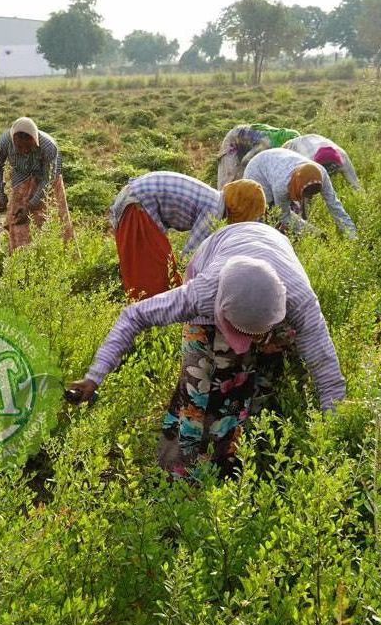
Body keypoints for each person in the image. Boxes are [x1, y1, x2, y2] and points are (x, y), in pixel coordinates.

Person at [67, 222, 345, 478]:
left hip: (272, 254)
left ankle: (240, 458)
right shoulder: (199, 294)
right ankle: (176, 471)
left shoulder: (299, 300)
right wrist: (95, 376)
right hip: (215, 257)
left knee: (254, 381)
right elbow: (133, 316)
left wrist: (333, 438)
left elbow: (325, 368)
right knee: (197, 386)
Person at [110, 172, 267, 299]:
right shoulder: (214, 211)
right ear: (243, 208)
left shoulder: (215, 199)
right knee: (154, 278)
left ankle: (149, 321)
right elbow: (191, 257)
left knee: (160, 272)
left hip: (137, 198)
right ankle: (148, 327)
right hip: (137, 205)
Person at [0, 116, 73, 252]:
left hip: (47, 178)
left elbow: (48, 179)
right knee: (17, 219)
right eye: (20, 147)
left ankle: (57, 253)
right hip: (21, 177)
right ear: (13, 142)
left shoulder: (48, 147)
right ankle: (19, 254)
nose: (24, 151)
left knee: (52, 219)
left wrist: (30, 206)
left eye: (29, 146)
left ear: (35, 140)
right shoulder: (5, 141)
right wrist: (0, 194)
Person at [244, 148, 357, 238]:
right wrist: (314, 234)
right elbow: (284, 216)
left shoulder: (321, 174)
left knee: (286, 213)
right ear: (298, 186)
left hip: (277, 161)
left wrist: (352, 236)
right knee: (268, 213)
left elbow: (335, 206)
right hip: (258, 171)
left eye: (314, 193)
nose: (310, 197)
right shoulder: (282, 186)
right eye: (307, 193)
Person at [217, 123, 301, 187]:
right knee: (229, 183)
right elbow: (246, 161)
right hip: (233, 142)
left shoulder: (294, 137)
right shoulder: (268, 144)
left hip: (248, 144)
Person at [283, 134, 362, 189]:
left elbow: (355, 184)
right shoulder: (306, 161)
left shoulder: (342, 157)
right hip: (312, 151)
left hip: (315, 150)